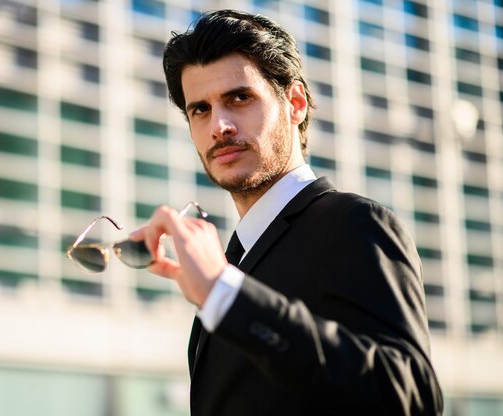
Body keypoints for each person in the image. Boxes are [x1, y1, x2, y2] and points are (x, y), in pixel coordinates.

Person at [130, 9, 443, 415]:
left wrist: (224, 294)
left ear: (295, 103)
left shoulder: (352, 223)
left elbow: (410, 395)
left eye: (239, 98)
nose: (219, 126)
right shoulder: (232, 261)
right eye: (200, 109)